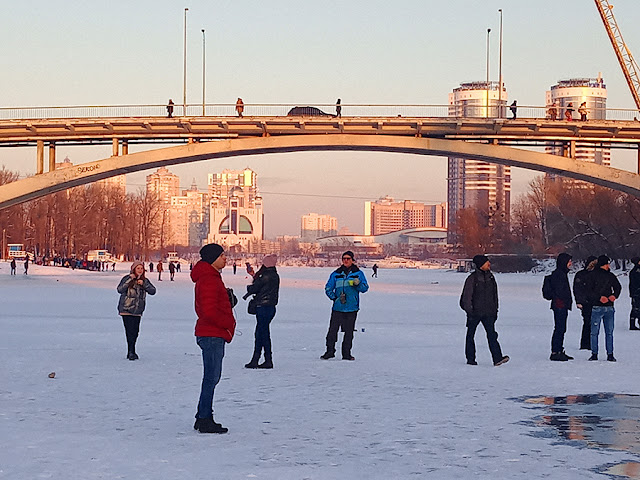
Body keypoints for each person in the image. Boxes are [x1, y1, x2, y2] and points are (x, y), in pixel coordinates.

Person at [191, 243, 236, 434]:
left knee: (212, 377)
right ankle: (204, 418)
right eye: (222, 255)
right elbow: (208, 311)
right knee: (211, 377)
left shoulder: (212, 278)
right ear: (212, 258)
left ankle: (202, 415)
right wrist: (227, 322)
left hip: (212, 333)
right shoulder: (209, 279)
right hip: (211, 334)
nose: (225, 258)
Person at [459, 255, 509, 366]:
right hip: (475, 313)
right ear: (480, 265)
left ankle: (497, 358)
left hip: (489, 313)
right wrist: (470, 311)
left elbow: (495, 296)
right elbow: (466, 297)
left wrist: (495, 310)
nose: (489, 264)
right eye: (486, 262)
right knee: (470, 336)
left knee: (492, 335)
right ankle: (471, 359)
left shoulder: (491, 277)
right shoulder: (472, 278)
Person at [321, 251, 369, 361]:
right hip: (338, 307)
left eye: (348, 258)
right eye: (344, 259)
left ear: (352, 260)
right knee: (332, 331)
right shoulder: (336, 274)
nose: (346, 261)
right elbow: (328, 287)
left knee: (349, 332)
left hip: (352, 307)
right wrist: (334, 298)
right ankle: (330, 351)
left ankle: (346, 353)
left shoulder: (358, 274)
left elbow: (365, 288)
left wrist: (358, 284)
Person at [244, 254, 280, 369]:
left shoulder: (265, 275)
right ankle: (260, 359)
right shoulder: (274, 275)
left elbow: (255, 287)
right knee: (262, 333)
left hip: (263, 307)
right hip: (270, 307)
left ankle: (264, 359)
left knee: (262, 334)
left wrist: (250, 287)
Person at [116, 261, 156, 360]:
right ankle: (131, 351)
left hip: (138, 310)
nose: (140, 270)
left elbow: (153, 291)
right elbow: (120, 289)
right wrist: (130, 279)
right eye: (138, 268)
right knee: (130, 331)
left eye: (141, 268)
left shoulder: (145, 281)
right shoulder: (127, 278)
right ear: (133, 269)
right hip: (126, 308)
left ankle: (131, 350)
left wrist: (144, 284)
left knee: (136, 331)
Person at [587, 255, 621, 362]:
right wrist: (611, 296)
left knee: (595, 332)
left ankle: (596, 354)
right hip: (604, 307)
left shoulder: (594, 275)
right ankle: (608, 354)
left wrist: (613, 296)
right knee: (608, 332)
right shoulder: (608, 276)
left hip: (602, 307)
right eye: (608, 263)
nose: (609, 265)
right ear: (605, 264)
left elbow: (589, 291)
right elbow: (618, 287)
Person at [546, 253, 574, 361]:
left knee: (561, 328)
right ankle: (555, 352)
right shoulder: (559, 274)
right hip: (559, 305)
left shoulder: (562, 273)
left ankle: (559, 350)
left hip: (561, 305)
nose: (570, 263)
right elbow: (559, 291)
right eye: (569, 261)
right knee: (559, 328)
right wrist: (564, 299)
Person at [573, 256, 598, 349]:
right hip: (586, 302)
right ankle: (586, 344)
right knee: (588, 322)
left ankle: (591, 343)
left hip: (594, 301)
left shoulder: (596, 274)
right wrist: (579, 301)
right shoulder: (581, 275)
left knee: (593, 323)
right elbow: (577, 289)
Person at [628, 257, 640, 330]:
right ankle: (632, 324)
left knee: (636, 308)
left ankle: (633, 323)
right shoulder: (635, 271)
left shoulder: (634, 271)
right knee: (636, 308)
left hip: (635, 292)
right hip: (637, 292)